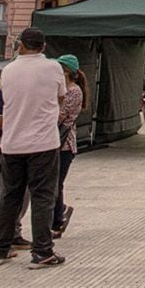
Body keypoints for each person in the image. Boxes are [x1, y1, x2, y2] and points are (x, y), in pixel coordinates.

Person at [0, 27, 66, 270]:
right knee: (42, 196)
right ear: (43, 46)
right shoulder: (53, 68)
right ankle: (42, 251)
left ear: (20, 45)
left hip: (12, 142)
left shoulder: (8, 70)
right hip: (43, 142)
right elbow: (60, 96)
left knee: (10, 196)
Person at [53, 55, 86, 237]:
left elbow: (60, 116)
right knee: (52, 183)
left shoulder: (74, 91)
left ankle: (57, 221)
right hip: (53, 142)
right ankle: (60, 212)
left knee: (56, 183)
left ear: (65, 71)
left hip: (64, 143)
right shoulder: (60, 89)